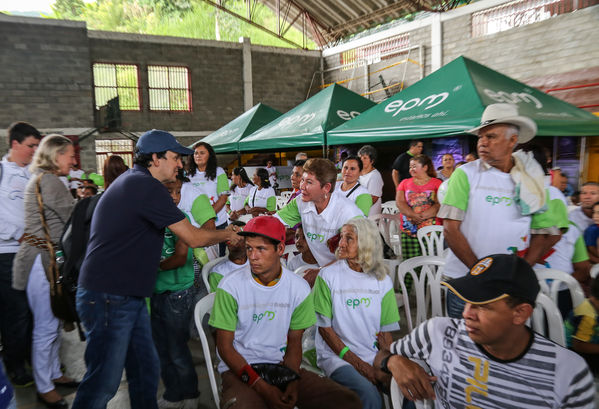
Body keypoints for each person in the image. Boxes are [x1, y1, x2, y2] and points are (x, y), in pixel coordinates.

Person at [72, 129, 241, 409]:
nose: (180, 164)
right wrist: (228, 234)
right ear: (155, 158)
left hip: (128, 295)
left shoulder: (136, 182)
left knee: (145, 369)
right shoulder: (144, 186)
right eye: (175, 158)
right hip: (109, 295)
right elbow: (193, 237)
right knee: (104, 380)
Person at [378, 253, 595, 408]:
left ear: (520, 313)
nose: (466, 314)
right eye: (467, 302)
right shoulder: (438, 332)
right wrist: (393, 362)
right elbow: (381, 357)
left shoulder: (567, 373)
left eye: (483, 306)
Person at [209, 216, 361, 409]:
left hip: (279, 366)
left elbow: (294, 343)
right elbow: (225, 348)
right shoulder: (230, 286)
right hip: (239, 370)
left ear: (280, 249)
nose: (252, 256)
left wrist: (292, 380)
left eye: (261, 249)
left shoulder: (298, 287)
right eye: (249, 248)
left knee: (347, 401)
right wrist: (262, 387)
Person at [438, 103, 566, 318]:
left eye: (491, 137)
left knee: (502, 347)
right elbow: (450, 228)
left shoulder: (532, 178)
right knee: (463, 346)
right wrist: (481, 273)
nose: (482, 143)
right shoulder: (466, 174)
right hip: (466, 281)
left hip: (508, 288)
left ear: (512, 140)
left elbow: (543, 234)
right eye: (481, 137)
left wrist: (521, 271)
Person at [12, 134, 78, 408]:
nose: (73, 161)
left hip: (42, 259)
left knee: (50, 324)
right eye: (69, 155)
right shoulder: (49, 181)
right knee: (46, 326)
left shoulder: (44, 178)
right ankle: (44, 385)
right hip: (42, 261)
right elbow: (74, 216)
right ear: (55, 155)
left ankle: (52, 374)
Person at [314, 218, 399, 409]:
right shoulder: (328, 277)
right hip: (337, 356)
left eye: (349, 238)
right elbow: (325, 331)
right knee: (369, 395)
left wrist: (390, 363)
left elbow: (385, 334)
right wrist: (363, 367)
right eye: (341, 237)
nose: (341, 243)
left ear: (366, 243)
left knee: (409, 388)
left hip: (372, 354)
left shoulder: (382, 279)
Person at [152, 172, 216, 409]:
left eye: (178, 192)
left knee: (177, 348)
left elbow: (180, 258)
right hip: (157, 291)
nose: (176, 197)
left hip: (178, 292)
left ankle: (190, 394)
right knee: (161, 347)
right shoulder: (152, 219)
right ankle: (173, 394)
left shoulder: (182, 219)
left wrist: (150, 268)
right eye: (170, 192)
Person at [276, 158, 363, 287]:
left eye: (309, 182)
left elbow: (357, 255)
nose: (302, 186)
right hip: (329, 269)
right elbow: (273, 221)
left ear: (326, 187)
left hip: (355, 274)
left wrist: (321, 272)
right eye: (303, 180)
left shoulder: (348, 213)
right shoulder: (301, 202)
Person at [0, 122, 40, 388]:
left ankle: (33, 358)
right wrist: (20, 233)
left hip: (34, 252)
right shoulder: (2, 171)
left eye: (38, 147)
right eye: (30, 146)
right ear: (15, 144)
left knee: (35, 310)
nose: (35, 151)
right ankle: (15, 367)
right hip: (8, 254)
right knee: (15, 313)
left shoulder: (33, 173)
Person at [180, 141, 230, 256]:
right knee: (200, 257)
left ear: (210, 155)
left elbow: (223, 199)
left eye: (202, 153)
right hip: (195, 225)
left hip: (217, 223)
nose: (198, 156)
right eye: (196, 153)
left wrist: (207, 217)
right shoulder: (188, 174)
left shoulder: (219, 172)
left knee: (217, 257)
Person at [396, 154, 442, 259]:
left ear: (425, 167)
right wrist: (413, 215)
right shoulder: (404, 183)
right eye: (410, 167)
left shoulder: (437, 183)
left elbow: (439, 204)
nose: (411, 169)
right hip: (409, 229)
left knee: (431, 260)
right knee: (411, 261)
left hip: (432, 230)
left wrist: (422, 216)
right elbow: (400, 202)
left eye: (414, 166)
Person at [565, 277, 599, 375]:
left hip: (591, 342)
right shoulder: (588, 316)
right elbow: (579, 345)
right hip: (575, 353)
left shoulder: (594, 304)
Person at [208, 221, 248, 292]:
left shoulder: (257, 264)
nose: (236, 238)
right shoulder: (218, 273)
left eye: (240, 234)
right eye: (232, 234)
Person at [358, 145, 384, 219]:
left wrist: (356, 209)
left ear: (372, 161)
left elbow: (373, 199)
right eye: (360, 157)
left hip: (370, 216)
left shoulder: (375, 176)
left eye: (365, 158)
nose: (361, 160)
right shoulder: (357, 173)